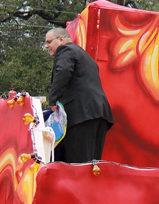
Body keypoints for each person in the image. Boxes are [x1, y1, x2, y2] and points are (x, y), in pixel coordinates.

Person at [45, 27, 114, 163]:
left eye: (49, 42)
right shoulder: (85, 56)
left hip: (81, 114)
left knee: (77, 165)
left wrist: (53, 99)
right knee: (92, 165)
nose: (47, 46)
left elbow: (63, 71)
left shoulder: (66, 50)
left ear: (61, 39)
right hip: (99, 114)